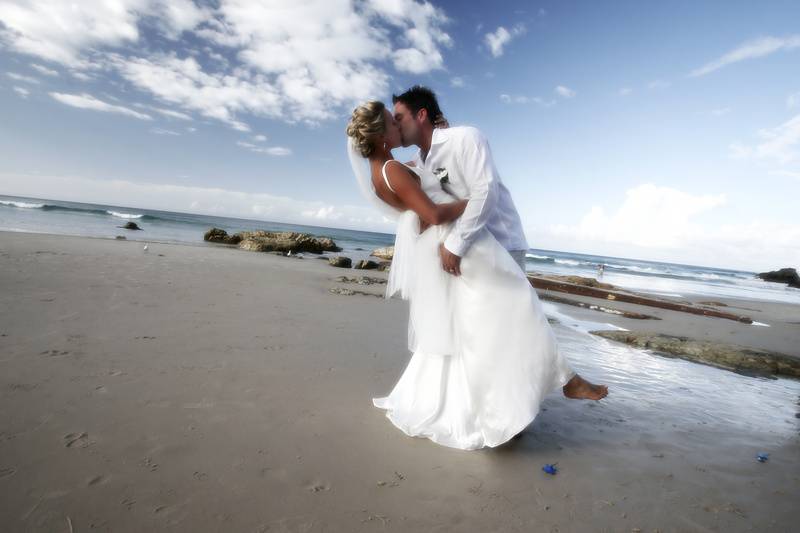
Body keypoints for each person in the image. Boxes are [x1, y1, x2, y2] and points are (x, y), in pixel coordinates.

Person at [345, 99, 608, 451]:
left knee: (481, 323)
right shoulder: (392, 169)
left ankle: (535, 391)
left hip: (452, 243)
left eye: (400, 118)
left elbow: (422, 182)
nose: (397, 125)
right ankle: (561, 383)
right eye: (393, 122)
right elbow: (435, 214)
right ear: (381, 135)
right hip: (455, 241)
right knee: (518, 305)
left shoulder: (384, 171)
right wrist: (476, 200)